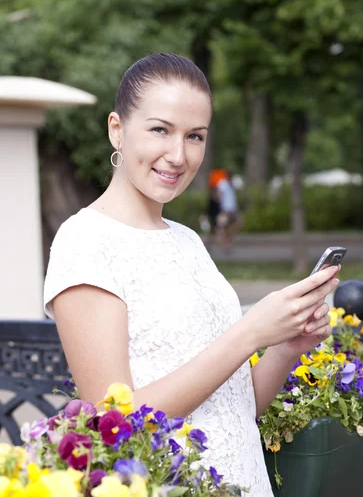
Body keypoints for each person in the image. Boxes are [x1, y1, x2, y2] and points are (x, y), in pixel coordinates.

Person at [43, 53, 339, 496]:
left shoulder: (186, 240)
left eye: (195, 136)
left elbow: (235, 407)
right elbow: (116, 421)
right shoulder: (85, 242)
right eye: (160, 129)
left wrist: (286, 346)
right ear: (116, 129)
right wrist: (250, 334)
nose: (178, 155)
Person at [215, 170, 241, 250]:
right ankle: (224, 243)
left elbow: (238, 190)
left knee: (238, 224)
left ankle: (226, 238)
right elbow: (218, 195)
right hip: (225, 209)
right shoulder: (222, 184)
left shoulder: (233, 184)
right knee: (224, 225)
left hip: (233, 208)